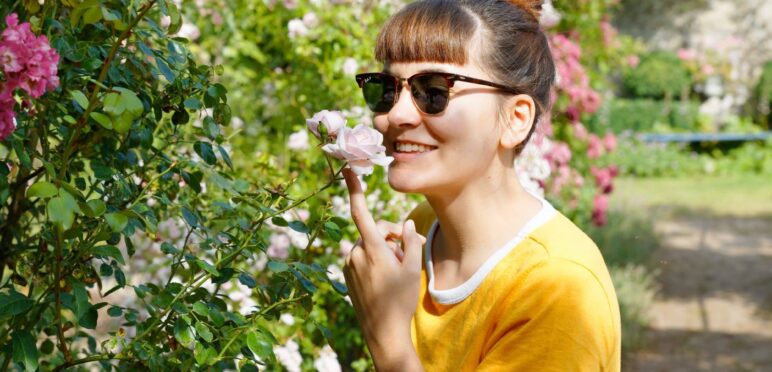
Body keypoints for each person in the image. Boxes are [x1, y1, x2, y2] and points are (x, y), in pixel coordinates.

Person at [340, 0, 621, 370]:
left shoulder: (557, 285)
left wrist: (388, 338)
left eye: (434, 91)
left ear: (516, 119)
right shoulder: (423, 231)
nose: (394, 115)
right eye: (386, 89)